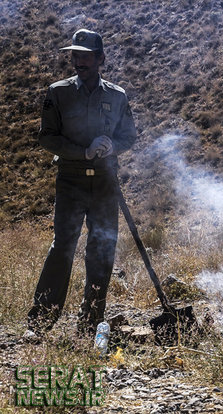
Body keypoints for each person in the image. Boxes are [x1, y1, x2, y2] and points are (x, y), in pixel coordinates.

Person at [25, 29, 137, 339]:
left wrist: (111, 147)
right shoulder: (58, 92)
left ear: (101, 58)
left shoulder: (117, 95)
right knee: (63, 246)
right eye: (75, 55)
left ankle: (89, 325)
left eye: (85, 56)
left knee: (102, 249)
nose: (78, 61)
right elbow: (46, 137)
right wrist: (82, 152)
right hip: (71, 180)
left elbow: (129, 136)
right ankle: (41, 323)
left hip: (105, 183)